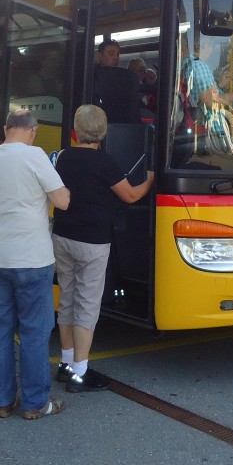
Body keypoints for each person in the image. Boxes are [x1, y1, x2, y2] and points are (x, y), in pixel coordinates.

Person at [0, 108, 71, 421]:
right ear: (33, 131)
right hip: (31, 258)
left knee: (1, 329)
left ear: (5, 129)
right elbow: (62, 200)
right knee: (34, 332)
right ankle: (35, 403)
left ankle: (2, 402)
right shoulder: (35, 155)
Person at [52, 105, 154, 393]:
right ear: (103, 132)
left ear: (76, 130)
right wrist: (150, 179)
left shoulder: (63, 158)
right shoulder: (104, 162)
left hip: (62, 236)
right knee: (87, 304)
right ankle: (80, 374)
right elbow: (131, 195)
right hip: (92, 242)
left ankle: (66, 362)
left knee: (68, 300)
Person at [93, 39, 142, 124]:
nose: (116, 57)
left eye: (118, 54)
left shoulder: (125, 77)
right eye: (111, 54)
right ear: (99, 56)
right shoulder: (94, 76)